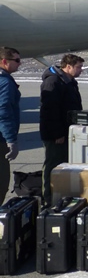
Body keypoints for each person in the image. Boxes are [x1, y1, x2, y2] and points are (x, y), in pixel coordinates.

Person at [39, 54, 84, 206]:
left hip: (67, 132)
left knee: (65, 164)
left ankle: (62, 194)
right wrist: (57, 133)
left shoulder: (69, 82)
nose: (81, 70)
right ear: (68, 66)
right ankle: (49, 198)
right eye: (78, 67)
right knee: (53, 164)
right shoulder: (53, 82)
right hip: (56, 134)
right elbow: (50, 110)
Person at [0, 47, 22, 205]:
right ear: (4, 61)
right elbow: (4, 111)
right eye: (17, 61)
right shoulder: (5, 82)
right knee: (2, 183)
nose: (20, 64)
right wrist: (11, 140)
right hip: (0, 140)